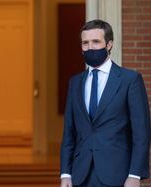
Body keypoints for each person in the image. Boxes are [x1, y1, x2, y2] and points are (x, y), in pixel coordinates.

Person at [60, 19, 150, 187]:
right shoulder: (75, 82)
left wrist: (135, 175)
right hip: (81, 175)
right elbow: (69, 133)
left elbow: (141, 133)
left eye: (96, 42)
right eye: (85, 43)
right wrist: (65, 174)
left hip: (118, 175)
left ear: (109, 44)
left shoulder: (130, 80)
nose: (89, 47)